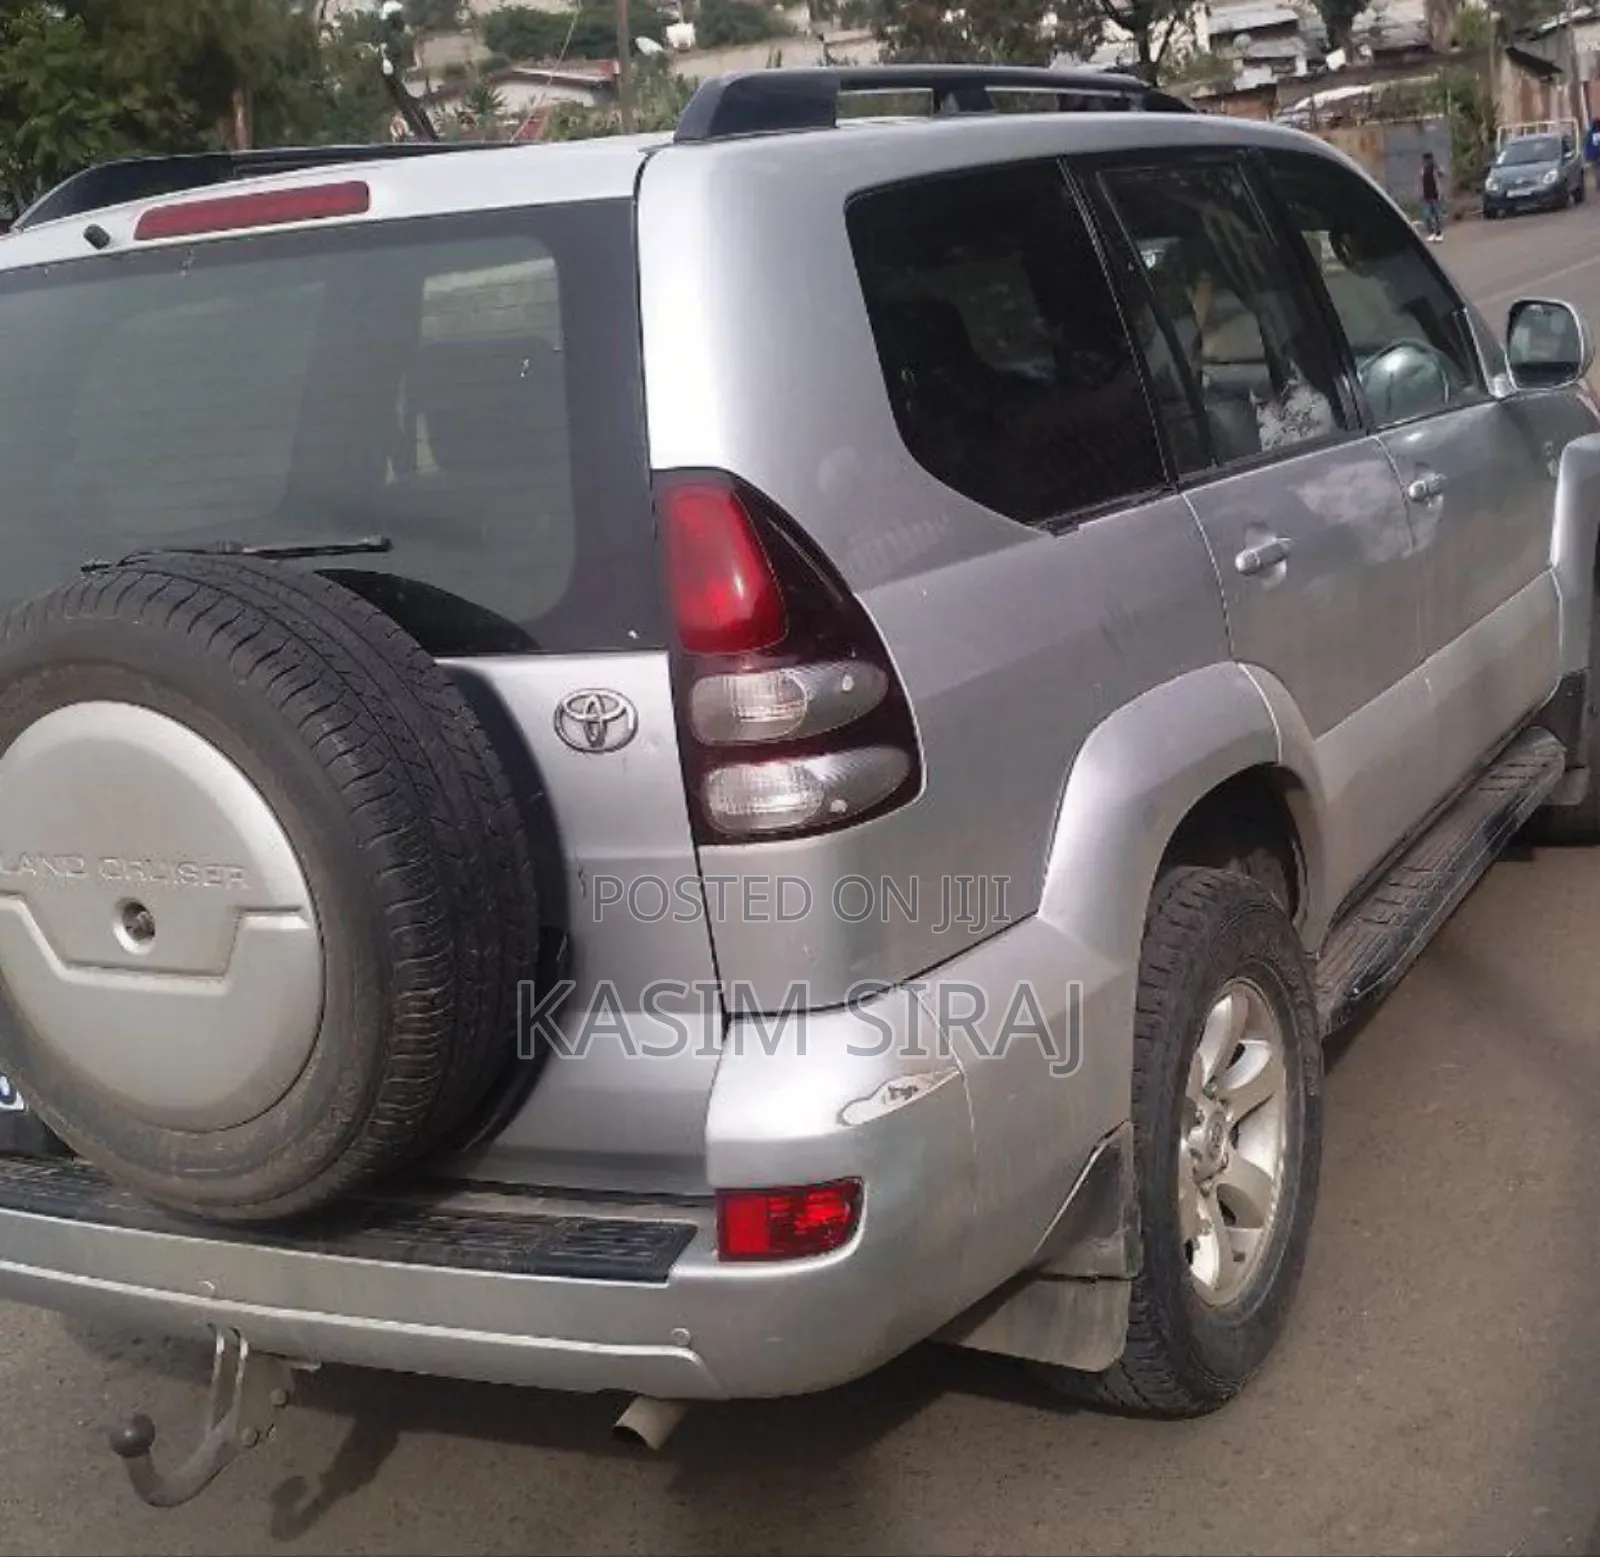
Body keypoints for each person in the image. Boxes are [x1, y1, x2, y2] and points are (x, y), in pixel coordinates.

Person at [1420, 151, 1445, 243]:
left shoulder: (1435, 168)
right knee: (1426, 215)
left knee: (1437, 215)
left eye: (1428, 160)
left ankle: (1439, 234)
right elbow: (1421, 181)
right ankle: (1431, 233)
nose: (1426, 162)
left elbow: (1442, 174)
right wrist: (1420, 194)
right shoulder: (1423, 169)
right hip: (1426, 196)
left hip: (1435, 195)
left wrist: (1437, 168)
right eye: (1425, 160)